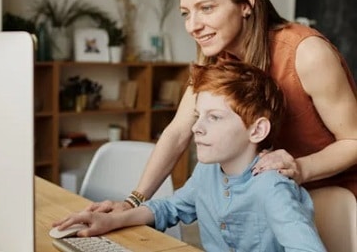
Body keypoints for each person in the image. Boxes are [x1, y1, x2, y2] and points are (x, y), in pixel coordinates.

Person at [60, 0, 357, 215]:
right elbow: (178, 131)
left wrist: (301, 168)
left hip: (333, 203)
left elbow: (353, 141)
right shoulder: (213, 57)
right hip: (271, 198)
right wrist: (132, 202)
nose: (193, 26)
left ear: (246, 3)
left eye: (206, 8)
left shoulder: (307, 54)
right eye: (186, 13)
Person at [55, 60, 327, 252]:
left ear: (256, 130)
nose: (196, 127)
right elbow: (169, 208)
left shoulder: (272, 186)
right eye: (198, 116)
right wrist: (113, 219)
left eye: (214, 117)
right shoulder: (206, 173)